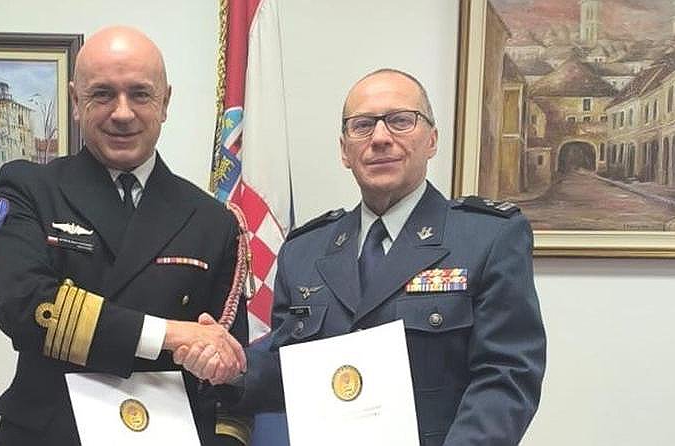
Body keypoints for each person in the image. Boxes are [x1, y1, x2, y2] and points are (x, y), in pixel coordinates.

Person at [178, 68, 546, 445]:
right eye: (363, 125)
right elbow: (287, 370)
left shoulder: (487, 238)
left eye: (401, 120)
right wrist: (234, 367)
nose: (381, 138)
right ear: (344, 151)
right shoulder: (304, 251)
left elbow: (506, 377)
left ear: (432, 140)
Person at [0, 26, 249, 446]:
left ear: (165, 102)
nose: (122, 113)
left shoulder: (213, 219)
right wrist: (173, 334)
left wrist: (219, 367)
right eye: (103, 94)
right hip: (51, 433)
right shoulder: (31, 188)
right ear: (76, 102)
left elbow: (230, 366)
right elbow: (22, 305)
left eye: (140, 94)